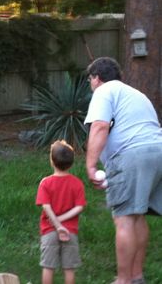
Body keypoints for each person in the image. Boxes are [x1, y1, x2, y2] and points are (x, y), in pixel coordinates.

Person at [84, 56, 162, 284]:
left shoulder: (103, 91)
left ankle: (124, 280)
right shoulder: (137, 95)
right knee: (137, 217)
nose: (91, 84)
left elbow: (99, 126)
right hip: (157, 153)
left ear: (97, 78)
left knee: (124, 219)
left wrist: (90, 165)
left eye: (91, 79)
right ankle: (137, 277)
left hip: (132, 155)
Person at [36, 140, 86, 284]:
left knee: (48, 266)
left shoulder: (45, 183)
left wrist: (57, 224)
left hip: (49, 230)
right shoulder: (77, 183)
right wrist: (63, 222)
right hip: (70, 232)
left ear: (52, 160)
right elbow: (79, 207)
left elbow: (46, 206)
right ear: (71, 162)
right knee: (69, 268)